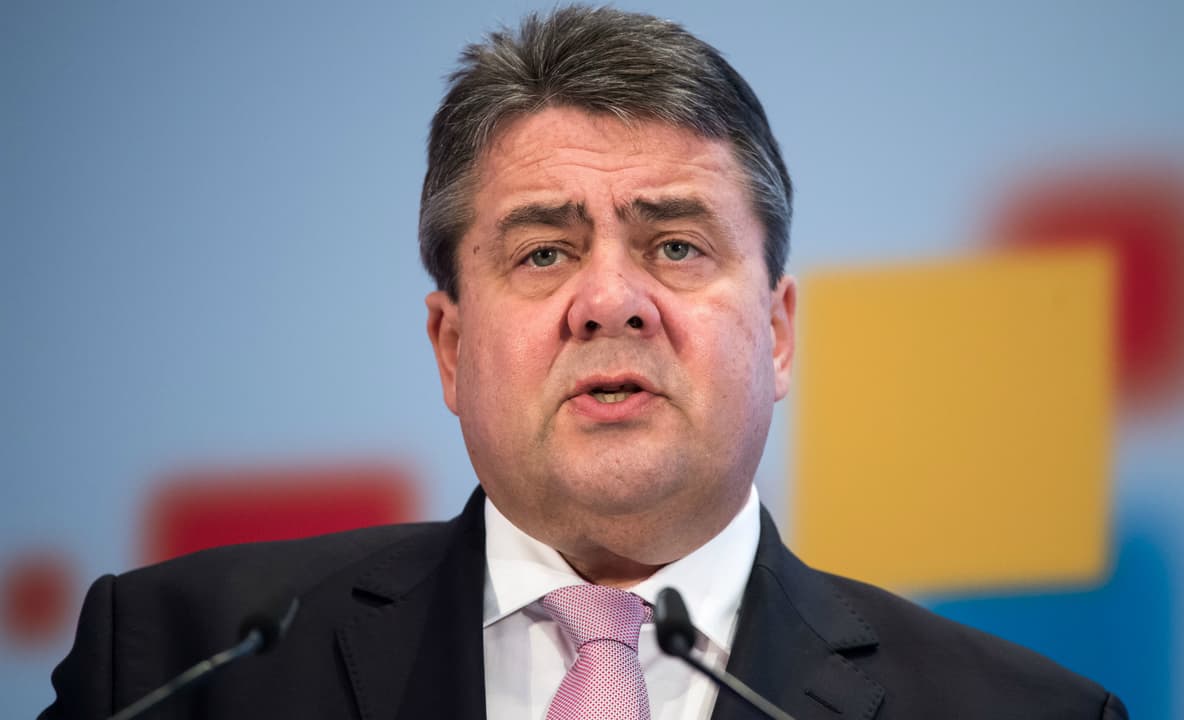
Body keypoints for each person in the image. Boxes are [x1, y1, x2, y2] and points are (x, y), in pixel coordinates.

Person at [42, 6, 1127, 719]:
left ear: (778, 332)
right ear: (451, 348)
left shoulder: (1019, 712)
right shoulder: (179, 666)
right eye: (544, 252)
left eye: (676, 246)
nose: (610, 301)